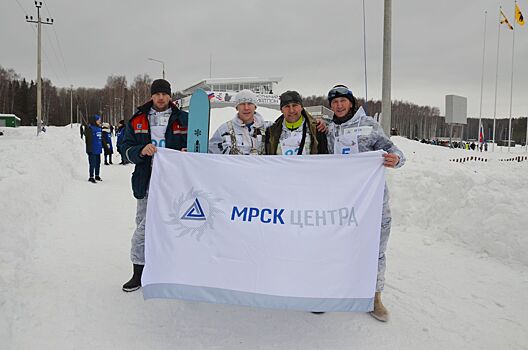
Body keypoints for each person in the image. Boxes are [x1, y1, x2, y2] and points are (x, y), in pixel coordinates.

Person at [325, 85, 405, 322]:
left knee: (375, 248)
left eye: (343, 101)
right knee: (338, 246)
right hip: (341, 202)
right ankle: (336, 288)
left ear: (351, 102)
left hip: (372, 201)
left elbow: (393, 149)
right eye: (334, 102)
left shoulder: (369, 125)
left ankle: (374, 296)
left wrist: (397, 158)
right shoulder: (329, 129)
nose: (339, 105)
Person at [121, 79, 188, 292]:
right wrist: (141, 151)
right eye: (157, 94)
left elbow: (198, 146)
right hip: (146, 180)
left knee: (173, 225)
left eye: (164, 94)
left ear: (170, 96)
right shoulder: (138, 119)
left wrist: (188, 154)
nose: (161, 98)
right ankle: (140, 272)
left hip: (175, 184)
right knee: (143, 223)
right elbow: (124, 148)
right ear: (152, 96)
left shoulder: (184, 119)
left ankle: (169, 267)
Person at [265, 90, 328, 155]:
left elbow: (323, 158)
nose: (291, 110)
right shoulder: (271, 132)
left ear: (301, 107)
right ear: (281, 110)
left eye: (294, 105)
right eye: (287, 106)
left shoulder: (317, 129)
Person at [209, 90, 269, 155]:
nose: (246, 108)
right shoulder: (224, 130)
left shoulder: (268, 128)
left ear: (255, 107)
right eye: (242, 104)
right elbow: (210, 154)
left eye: (249, 103)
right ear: (237, 108)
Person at [84, 115, 103, 183]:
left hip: (98, 149)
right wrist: (89, 150)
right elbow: (87, 140)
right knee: (92, 164)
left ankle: (97, 175)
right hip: (92, 149)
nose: (99, 121)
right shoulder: (90, 128)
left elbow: (101, 139)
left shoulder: (99, 128)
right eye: (98, 120)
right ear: (94, 121)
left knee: (98, 163)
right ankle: (91, 176)